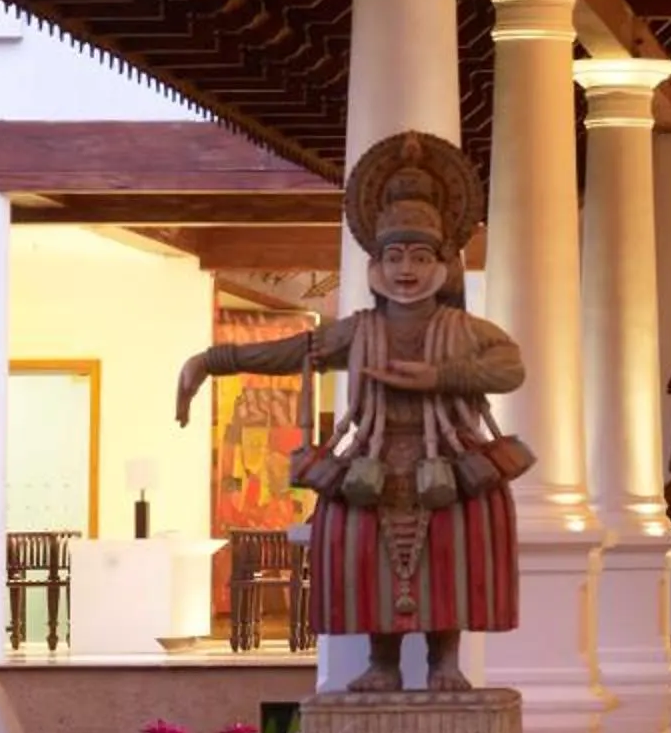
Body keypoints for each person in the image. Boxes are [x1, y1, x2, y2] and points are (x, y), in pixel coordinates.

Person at [174, 130, 529, 693]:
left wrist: (442, 376)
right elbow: (292, 351)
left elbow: (510, 367)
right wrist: (212, 360)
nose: (406, 269)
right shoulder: (358, 331)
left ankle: (445, 662)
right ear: (376, 262)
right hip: (372, 462)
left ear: (442, 262)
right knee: (366, 558)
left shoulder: (465, 332)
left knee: (448, 559)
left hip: (452, 464)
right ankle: (381, 663)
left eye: (419, 256)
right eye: (394, 256)